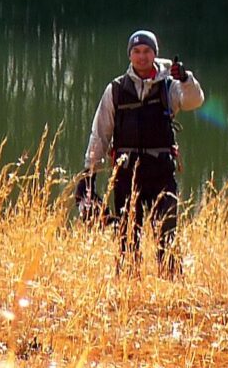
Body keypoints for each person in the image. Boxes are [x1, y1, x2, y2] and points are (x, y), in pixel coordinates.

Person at [83, 29, 204, 276]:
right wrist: (89, 174)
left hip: (161, 172)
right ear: (129, 55)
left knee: (167, 233)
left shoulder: (170, 86)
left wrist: (186, 79)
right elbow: (101, 133)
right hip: (127, 174)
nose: (141, 56)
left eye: (147, 51)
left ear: (154, 54)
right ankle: (129, 289)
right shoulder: (115, 90)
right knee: (127, 237)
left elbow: (194, 101)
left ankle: (171, 289)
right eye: (136, 51)